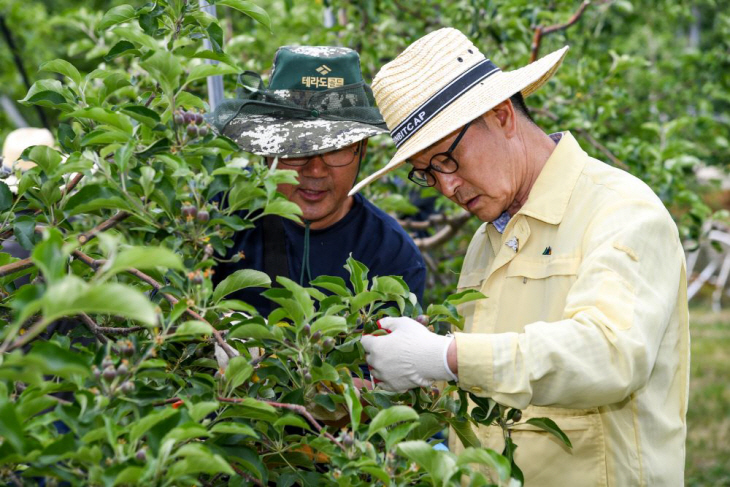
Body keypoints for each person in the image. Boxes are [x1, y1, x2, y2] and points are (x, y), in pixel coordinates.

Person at [353, 28, 688, 486]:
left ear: (502, 115)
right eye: (426, 174)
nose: (447, 187)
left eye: (447, 159)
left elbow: (611, 355)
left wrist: (447, 356)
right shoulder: (486, 239)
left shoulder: (621, 211)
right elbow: (496, 374)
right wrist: (423, 366)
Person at [210, 46, 426, 314]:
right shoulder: (219, 218)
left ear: (362, 150)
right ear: (267, 151)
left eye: (335, 151)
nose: (315, 170)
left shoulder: (390, 254)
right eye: (296, 149)